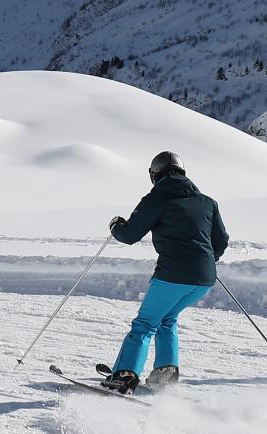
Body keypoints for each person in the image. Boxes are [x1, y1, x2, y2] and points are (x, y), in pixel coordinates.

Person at [98, 151, 228, 392]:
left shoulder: (156, 199)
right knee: (167, 319)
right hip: (204, 278)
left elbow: (130, 235)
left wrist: (116, 225)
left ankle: (124, 377)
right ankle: (165, 374)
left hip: (173, 274)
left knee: (144, 325)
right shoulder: (207, 202)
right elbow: (221, 241)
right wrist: (203, 259)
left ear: (155, 174)